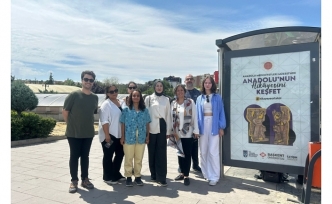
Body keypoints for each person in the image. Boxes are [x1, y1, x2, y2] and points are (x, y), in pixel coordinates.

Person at [62, 70, 98, 193]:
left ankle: (85, 179)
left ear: (93, 82)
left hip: (88, 133)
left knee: (85, 157)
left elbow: (91, 113)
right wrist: (71, 125)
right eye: (86, 79)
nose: (88, 82)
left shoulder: (94, 97)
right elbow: (65, 112)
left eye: (91, 80)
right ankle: (74, 180)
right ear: (82, 80)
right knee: (74, 156)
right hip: (74, 133)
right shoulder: (73, 95)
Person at [196, 75, 226, 186]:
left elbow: (221, 112)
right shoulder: (199, 98)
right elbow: (197, 114)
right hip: (203, 125)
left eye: (209, 83)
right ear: (203, 85)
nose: (207, 84)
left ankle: (214, 176)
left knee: (213, 151)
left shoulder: (217, 97)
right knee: (203, 151)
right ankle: (206, 173)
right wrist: (196, 129)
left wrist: (221, 126)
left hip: (214, 124)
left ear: (212, 84)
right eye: (205, 83)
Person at [120, 89, 151, 187]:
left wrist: (148, 136)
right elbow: (123, 124)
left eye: (138, 95)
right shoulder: (126, 110)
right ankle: (128, 177)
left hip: (141, 138)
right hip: (129, 137)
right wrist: (122, 137)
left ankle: (137, 176)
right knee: (128, 158)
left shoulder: (145, 110)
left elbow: (147, 123)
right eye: (134, 95)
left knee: (139, 158)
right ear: (131, 97)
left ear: (140, 97)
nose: (136, 97)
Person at [170, 84, 199, 186]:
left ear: (184, 91)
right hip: (177, 133)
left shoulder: (190, 102)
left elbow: (195, 116)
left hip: (188, 132)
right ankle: (181, 173)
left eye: (182, 90)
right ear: (175, 92)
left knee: (187, 154)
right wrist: (170, 131)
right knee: (180, 154)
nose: (180, 92)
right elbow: (171, 118)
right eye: (178, 90)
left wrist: (196, 130)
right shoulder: (173, 103)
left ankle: (186, 175)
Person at [145, 80, 172, 187]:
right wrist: (146, 131)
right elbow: (146, 114)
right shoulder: (149, 98)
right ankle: (153, 174)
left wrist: (168, 131)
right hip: (151, 126)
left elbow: (168, 116)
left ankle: (162, 176)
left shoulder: (166, 99)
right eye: (157, 86)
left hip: (162, 125)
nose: (159, 87)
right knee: (151, 151)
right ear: (154, 87)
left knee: (161, 152)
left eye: (161, 86)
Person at [98, 84, 125, 185]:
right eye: (111, 91)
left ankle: (115, 173)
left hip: (119, 134)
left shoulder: (121, 102)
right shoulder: (106, 104)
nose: (114, 93)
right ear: (107, 93)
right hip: (109, 134)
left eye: (116, 90)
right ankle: (107, 176)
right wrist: (107, 136)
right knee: (108, 156)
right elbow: (104, 121)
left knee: (120, 154)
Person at [183, 74, 202, 172]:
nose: (189, 80)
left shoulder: (198, 93)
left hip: (195, 122)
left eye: (191, 79)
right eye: (187, 79)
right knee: (182, 145)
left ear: (194, 81)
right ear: (184, 81)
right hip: (183, 123)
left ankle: (195, 165)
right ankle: (182, 165)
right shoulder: (181, 92)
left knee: (194, 145)